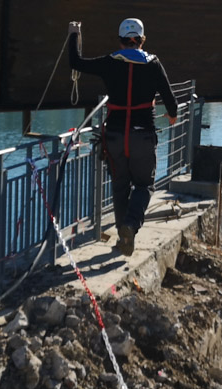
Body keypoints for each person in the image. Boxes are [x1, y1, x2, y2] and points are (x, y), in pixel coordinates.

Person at [68, 18, 179, 257]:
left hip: (115, 136)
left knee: (120, 188)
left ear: (120, 40)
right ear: (142, 40)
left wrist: (74, 35)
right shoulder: (153, 63)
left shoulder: (109, 62)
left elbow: (75, 62)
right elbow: (169, 97)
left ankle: (123, 238)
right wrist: (172, 115)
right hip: (142, 136)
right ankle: (130, 227)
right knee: (144, 185)